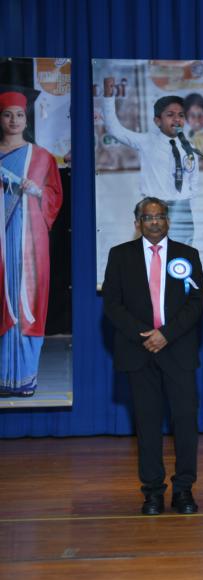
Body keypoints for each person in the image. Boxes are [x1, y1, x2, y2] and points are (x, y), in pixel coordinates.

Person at [102, 198, 203, 515]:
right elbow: (112, 305)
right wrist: (145, 335)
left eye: (160, 216)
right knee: (147, 426)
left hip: (178, 351)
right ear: (138, 223)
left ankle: (184, 490)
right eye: (148, 217)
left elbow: (197, 303)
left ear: (168, 220)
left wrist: (166, 334)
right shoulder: (120, 255)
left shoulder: (188, 255)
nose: (155, 222)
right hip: (139, 352)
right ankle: (153, 493)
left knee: (185, 423)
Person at [0, 91, 63, 397]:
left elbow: (54, 196)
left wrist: (36, 190)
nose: (14, 120)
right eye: (7, 114)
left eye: (19, 115)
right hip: (2, 238)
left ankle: (24, 378)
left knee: (28, 301)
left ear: (26, 119)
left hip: (29, 242)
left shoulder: (41, 157)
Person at [101, 87, 199, 245]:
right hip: (154, 207)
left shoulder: (189, 146)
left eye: (181, 115)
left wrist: (188, 203)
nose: (177, 119)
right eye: (170, 115)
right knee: (152, 252)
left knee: (182, 254)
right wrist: (108, 97)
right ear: (157, 120)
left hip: (183, 209)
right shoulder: (147, 141)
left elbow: (193, 179)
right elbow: (114, 130)